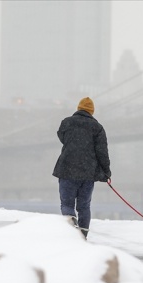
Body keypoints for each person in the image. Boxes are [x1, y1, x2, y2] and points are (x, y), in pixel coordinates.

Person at [53, 97, 111, 239]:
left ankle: (71, 228)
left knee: (67, 204)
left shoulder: (66, 123)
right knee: (84, 206)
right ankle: (83, 235)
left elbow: (62, 137)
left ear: (78, 108)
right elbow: (102, 152)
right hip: (88, 173)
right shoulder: (97, 128)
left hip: (67, 170)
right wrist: (106, 172)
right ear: (92, 111)